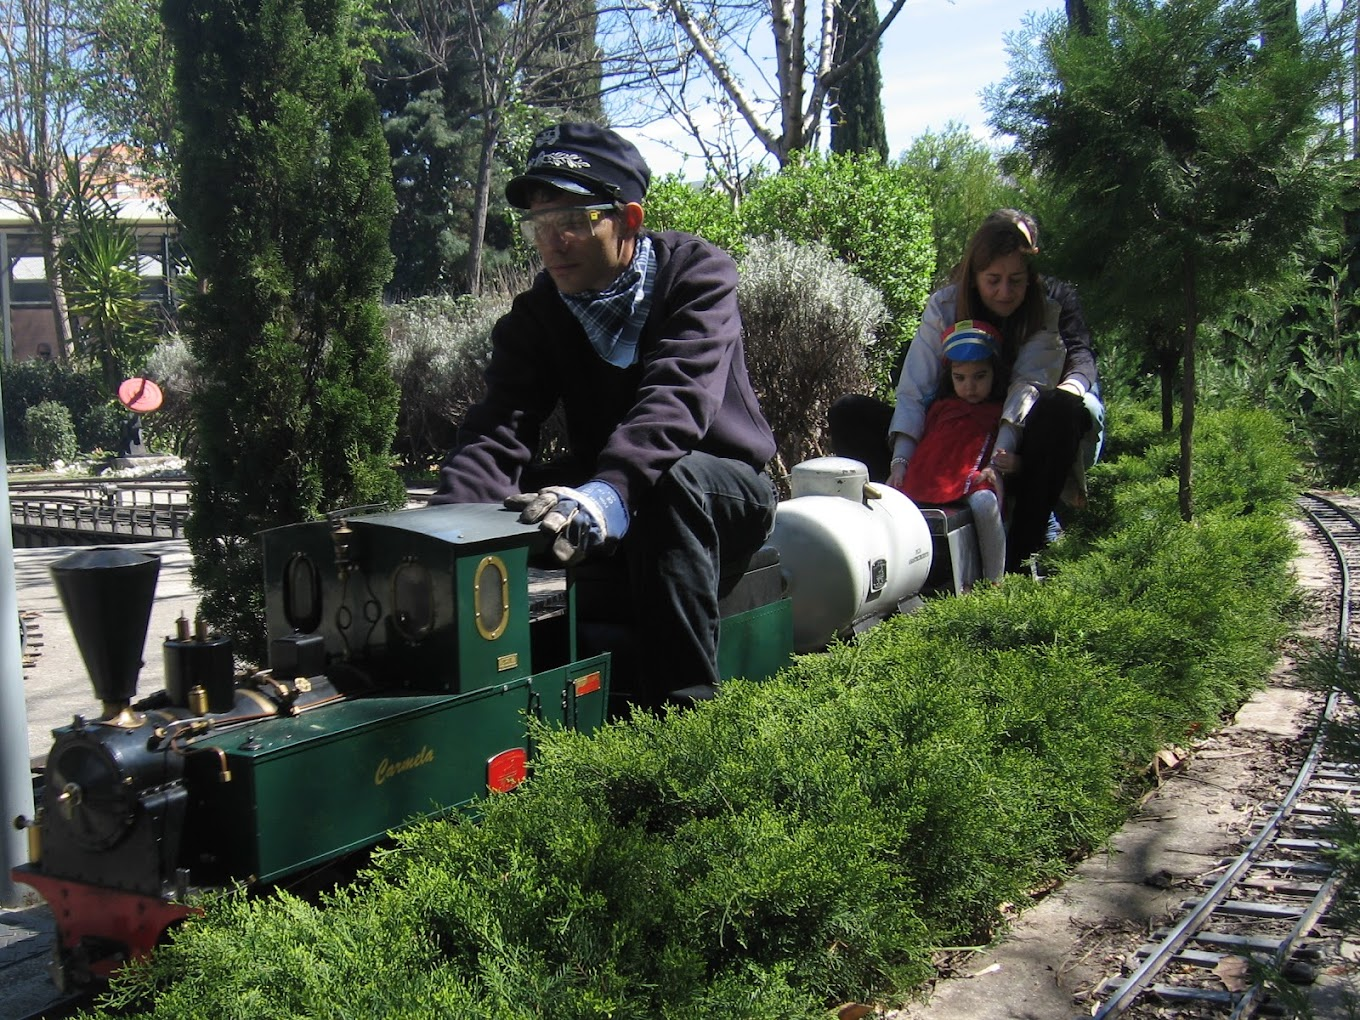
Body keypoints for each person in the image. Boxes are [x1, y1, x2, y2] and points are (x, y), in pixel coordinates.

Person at [426, 122, 778, 710]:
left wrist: (605, 493)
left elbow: (677, 400)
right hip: (612, 485)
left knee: (672, 482)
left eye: (572, 221)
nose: (552, 242)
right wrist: (443, 534)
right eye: (540, 224)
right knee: (505, 506)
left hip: (722, 490)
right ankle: (474, 701)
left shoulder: (696, 276)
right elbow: (498, 429)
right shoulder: (540, 313)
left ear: (630, 220)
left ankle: (687, 719)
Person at [828, 209, 1102, 570]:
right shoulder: (944, 305)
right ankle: (898, 526)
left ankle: (1023, 550)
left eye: (1015, 281)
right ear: (974, 277)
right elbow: (915, 388)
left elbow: (1028, 386)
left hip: (1013, 438)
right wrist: (902, 460)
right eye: (993, 280)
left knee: (1062, 408)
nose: (1005, 292)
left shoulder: (1046, 308)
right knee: (849, 412)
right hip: (948, 436)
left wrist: (998, 461)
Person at [896, 319, 1060, 582]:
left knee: (985, 505)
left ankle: (995, 578)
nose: (969, 387)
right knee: (899, 506)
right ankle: (908, 577)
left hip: (976, 480)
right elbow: (928, 441)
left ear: (994, 373)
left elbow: (1027, 454)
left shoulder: (1002, 411)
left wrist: (1014, 463)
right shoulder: (941, 408)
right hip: (930, 477)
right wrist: (902, 464)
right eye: (959, 378)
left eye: (979, 376)